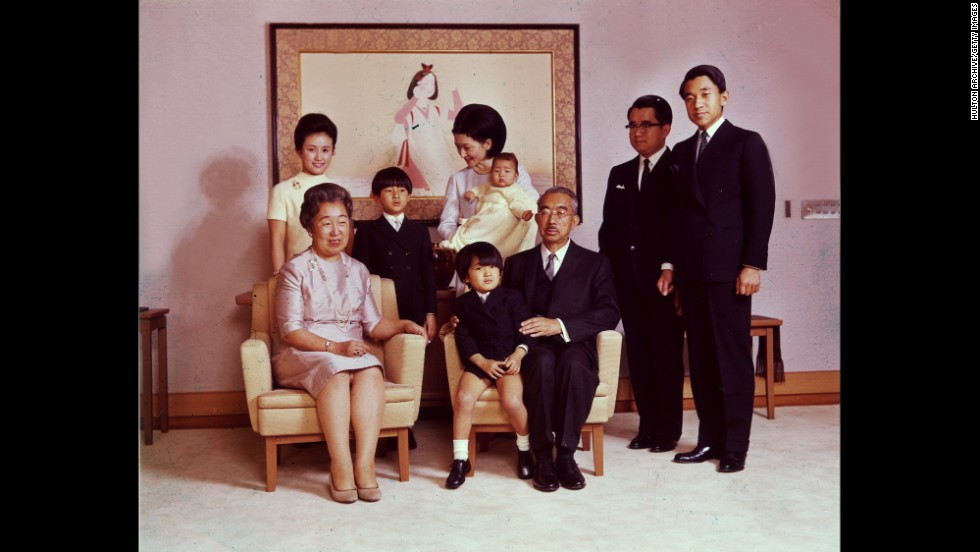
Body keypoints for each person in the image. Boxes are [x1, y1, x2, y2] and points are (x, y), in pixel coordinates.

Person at [273, 183, 426, 503]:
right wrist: (336, 348)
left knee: (371, 369)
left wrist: (403, 324)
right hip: (304, 350)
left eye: (342, 221)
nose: (335, 230)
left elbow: (373, 325)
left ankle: (364, 465)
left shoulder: (358, 270)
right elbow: (289, 330)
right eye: (326, 222)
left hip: (350, 351)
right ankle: (340, 465)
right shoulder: (294, 269)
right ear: (309, 226)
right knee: (337, 369)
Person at [667, 65, 776, 473]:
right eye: (690, 97)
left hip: (730, 271)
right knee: (703, 360)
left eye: (706, 94)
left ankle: (735, 447)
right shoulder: (681, 150)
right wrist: (677, 273)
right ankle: (709, 440)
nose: (698, 103)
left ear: (724, 97)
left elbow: (761, 207)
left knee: (731, 359)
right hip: (693, 273)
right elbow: (679, 219)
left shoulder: (746, 143)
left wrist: (752, 264)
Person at [501, 187, 620, 492]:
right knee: (540, 363)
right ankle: (543, 456)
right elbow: (502, 310)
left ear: (575, 220)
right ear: (536, 218)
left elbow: (608, 312)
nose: (551, 218)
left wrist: (560, 325)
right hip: (531, 346)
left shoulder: (596, 263)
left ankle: (566, 454)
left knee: (574, 366)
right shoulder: (516, 264)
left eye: (561, 211)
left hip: (575, 343)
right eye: (544, 210)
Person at [598, 95, 686, 454]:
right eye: (632, 125)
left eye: (645, 125)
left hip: (664, 282)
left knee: (665, 356)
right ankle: (647, 426)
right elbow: (609, 230)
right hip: (626, 281)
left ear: (665, 128)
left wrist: (671, 266)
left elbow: (682, 228)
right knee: (639, 355)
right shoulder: (620, 173)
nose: (637, 132)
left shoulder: (679, 169)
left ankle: (667, 431)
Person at [445, 241, 535, 489]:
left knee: (513, 401)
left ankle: (525, 450)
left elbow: (526, 331)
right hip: (480, 361)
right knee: (462, 399)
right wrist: (481, 362)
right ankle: (461, 459)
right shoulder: (462, 304)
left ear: (500, 272)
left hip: (507, 360)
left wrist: (518, 355)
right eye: (479, 268)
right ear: (465, 276)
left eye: (493, 267)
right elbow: (463, 337)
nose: (488, 273)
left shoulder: (512, 298)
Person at [352, 167, 438, 342]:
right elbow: (358, 277)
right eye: (389, 191)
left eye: (402, 190)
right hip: (382, 304)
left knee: (412, 357)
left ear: (409, 196)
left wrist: (431, 312)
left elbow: (428, 274)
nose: (396, 196)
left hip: (415, 303)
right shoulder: (366, 231)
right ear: (375, 197)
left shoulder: (420, 231)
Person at [437, 104, 539, 246]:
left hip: (510, 254)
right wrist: (465, 242)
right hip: (473, 259)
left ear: (488, 144)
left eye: (466, 147)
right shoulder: (458, 179)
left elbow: (532, 211)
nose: (461, 154)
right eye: (458, 147)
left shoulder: (517, 173)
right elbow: (446, 224)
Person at [267, 113, 338, 274]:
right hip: (297, 274)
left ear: (333, 151)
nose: (319, 157)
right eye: (311, 149)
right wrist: (280, 279)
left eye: (325, 150)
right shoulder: (282, 191)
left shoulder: (339, 190)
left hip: (334, 273)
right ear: (299, 151)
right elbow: (276, 241)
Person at [438, 152, 538, 260]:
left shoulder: (514, 190)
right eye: (497, 171)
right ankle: (456, 244)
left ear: (516, 176)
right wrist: (472, 193)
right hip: (483, 216)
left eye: (507, 171)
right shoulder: (487, 184)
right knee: (471, 230)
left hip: (496, 221)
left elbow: (517, 204)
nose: (501, 174)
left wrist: (523, 213)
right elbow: (479, 189)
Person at [393, 63, 464, 195]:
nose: (430, 87)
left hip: (437, 154)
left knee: (448, 185)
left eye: (432, 84)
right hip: (417, 154)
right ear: (416, 86)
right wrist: (415, 98)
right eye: (426, 83)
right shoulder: (410, 110)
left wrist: (454, 91)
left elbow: (460, 113)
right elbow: (398, 118)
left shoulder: (436, 110)